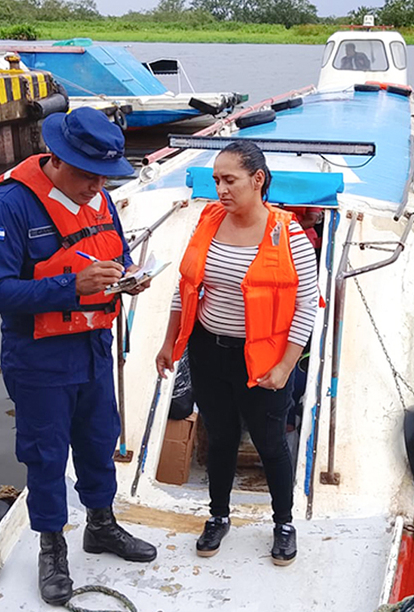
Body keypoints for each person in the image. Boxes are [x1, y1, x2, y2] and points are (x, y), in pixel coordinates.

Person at [0, 107, 157, 606]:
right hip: (39, 356)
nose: (96, 185)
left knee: (100, 441)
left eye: (104, 175)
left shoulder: (99, 198)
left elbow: (114, 252)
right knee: (46, 455)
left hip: (94, 346)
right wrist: (69, 286)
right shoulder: (8, 206)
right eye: (85, 173)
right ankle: (51, 548)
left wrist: (129, 276)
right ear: (55, 157)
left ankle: (101, 525)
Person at [155, 141, 319, 566]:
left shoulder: (289, 234)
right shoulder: (209, 220)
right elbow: (186, 288)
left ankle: (284, 523)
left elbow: (306, 305)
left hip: (262, 357)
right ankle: (218, 515)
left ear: (258, 180)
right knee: (221, 436)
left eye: (230, 180)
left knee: (269, 441)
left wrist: (286, 366)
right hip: (208, 350)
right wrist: (169, 343)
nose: (221, 189)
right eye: (216, 180)